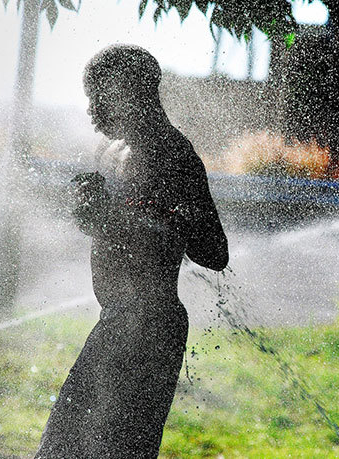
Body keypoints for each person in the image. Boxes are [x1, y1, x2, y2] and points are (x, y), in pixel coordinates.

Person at [35, 44, 229, 459]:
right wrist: (91, 210)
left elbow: (214, 251)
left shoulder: (175, 158)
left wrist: (118, 220)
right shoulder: (110, 151)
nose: (90, 110)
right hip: (116, 320)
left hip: (149, 330)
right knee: (61, 448)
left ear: (132, 92)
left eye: (98, 97)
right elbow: (117, 225)